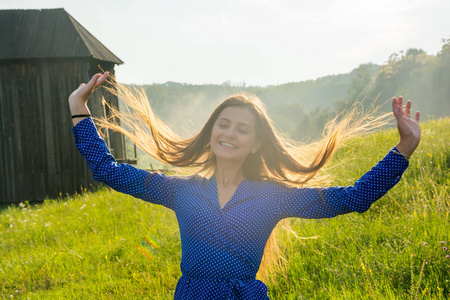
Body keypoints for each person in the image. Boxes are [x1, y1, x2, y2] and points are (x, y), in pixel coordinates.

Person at [69, 72, 420, 299]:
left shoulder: (271, 197)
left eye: (242, 129)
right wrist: (78, 108)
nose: (230, 133)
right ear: (211, 134)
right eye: (224, 124)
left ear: (255, 144)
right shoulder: (182, 190)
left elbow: (354, 198)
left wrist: (403, 149)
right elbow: (108, 170)